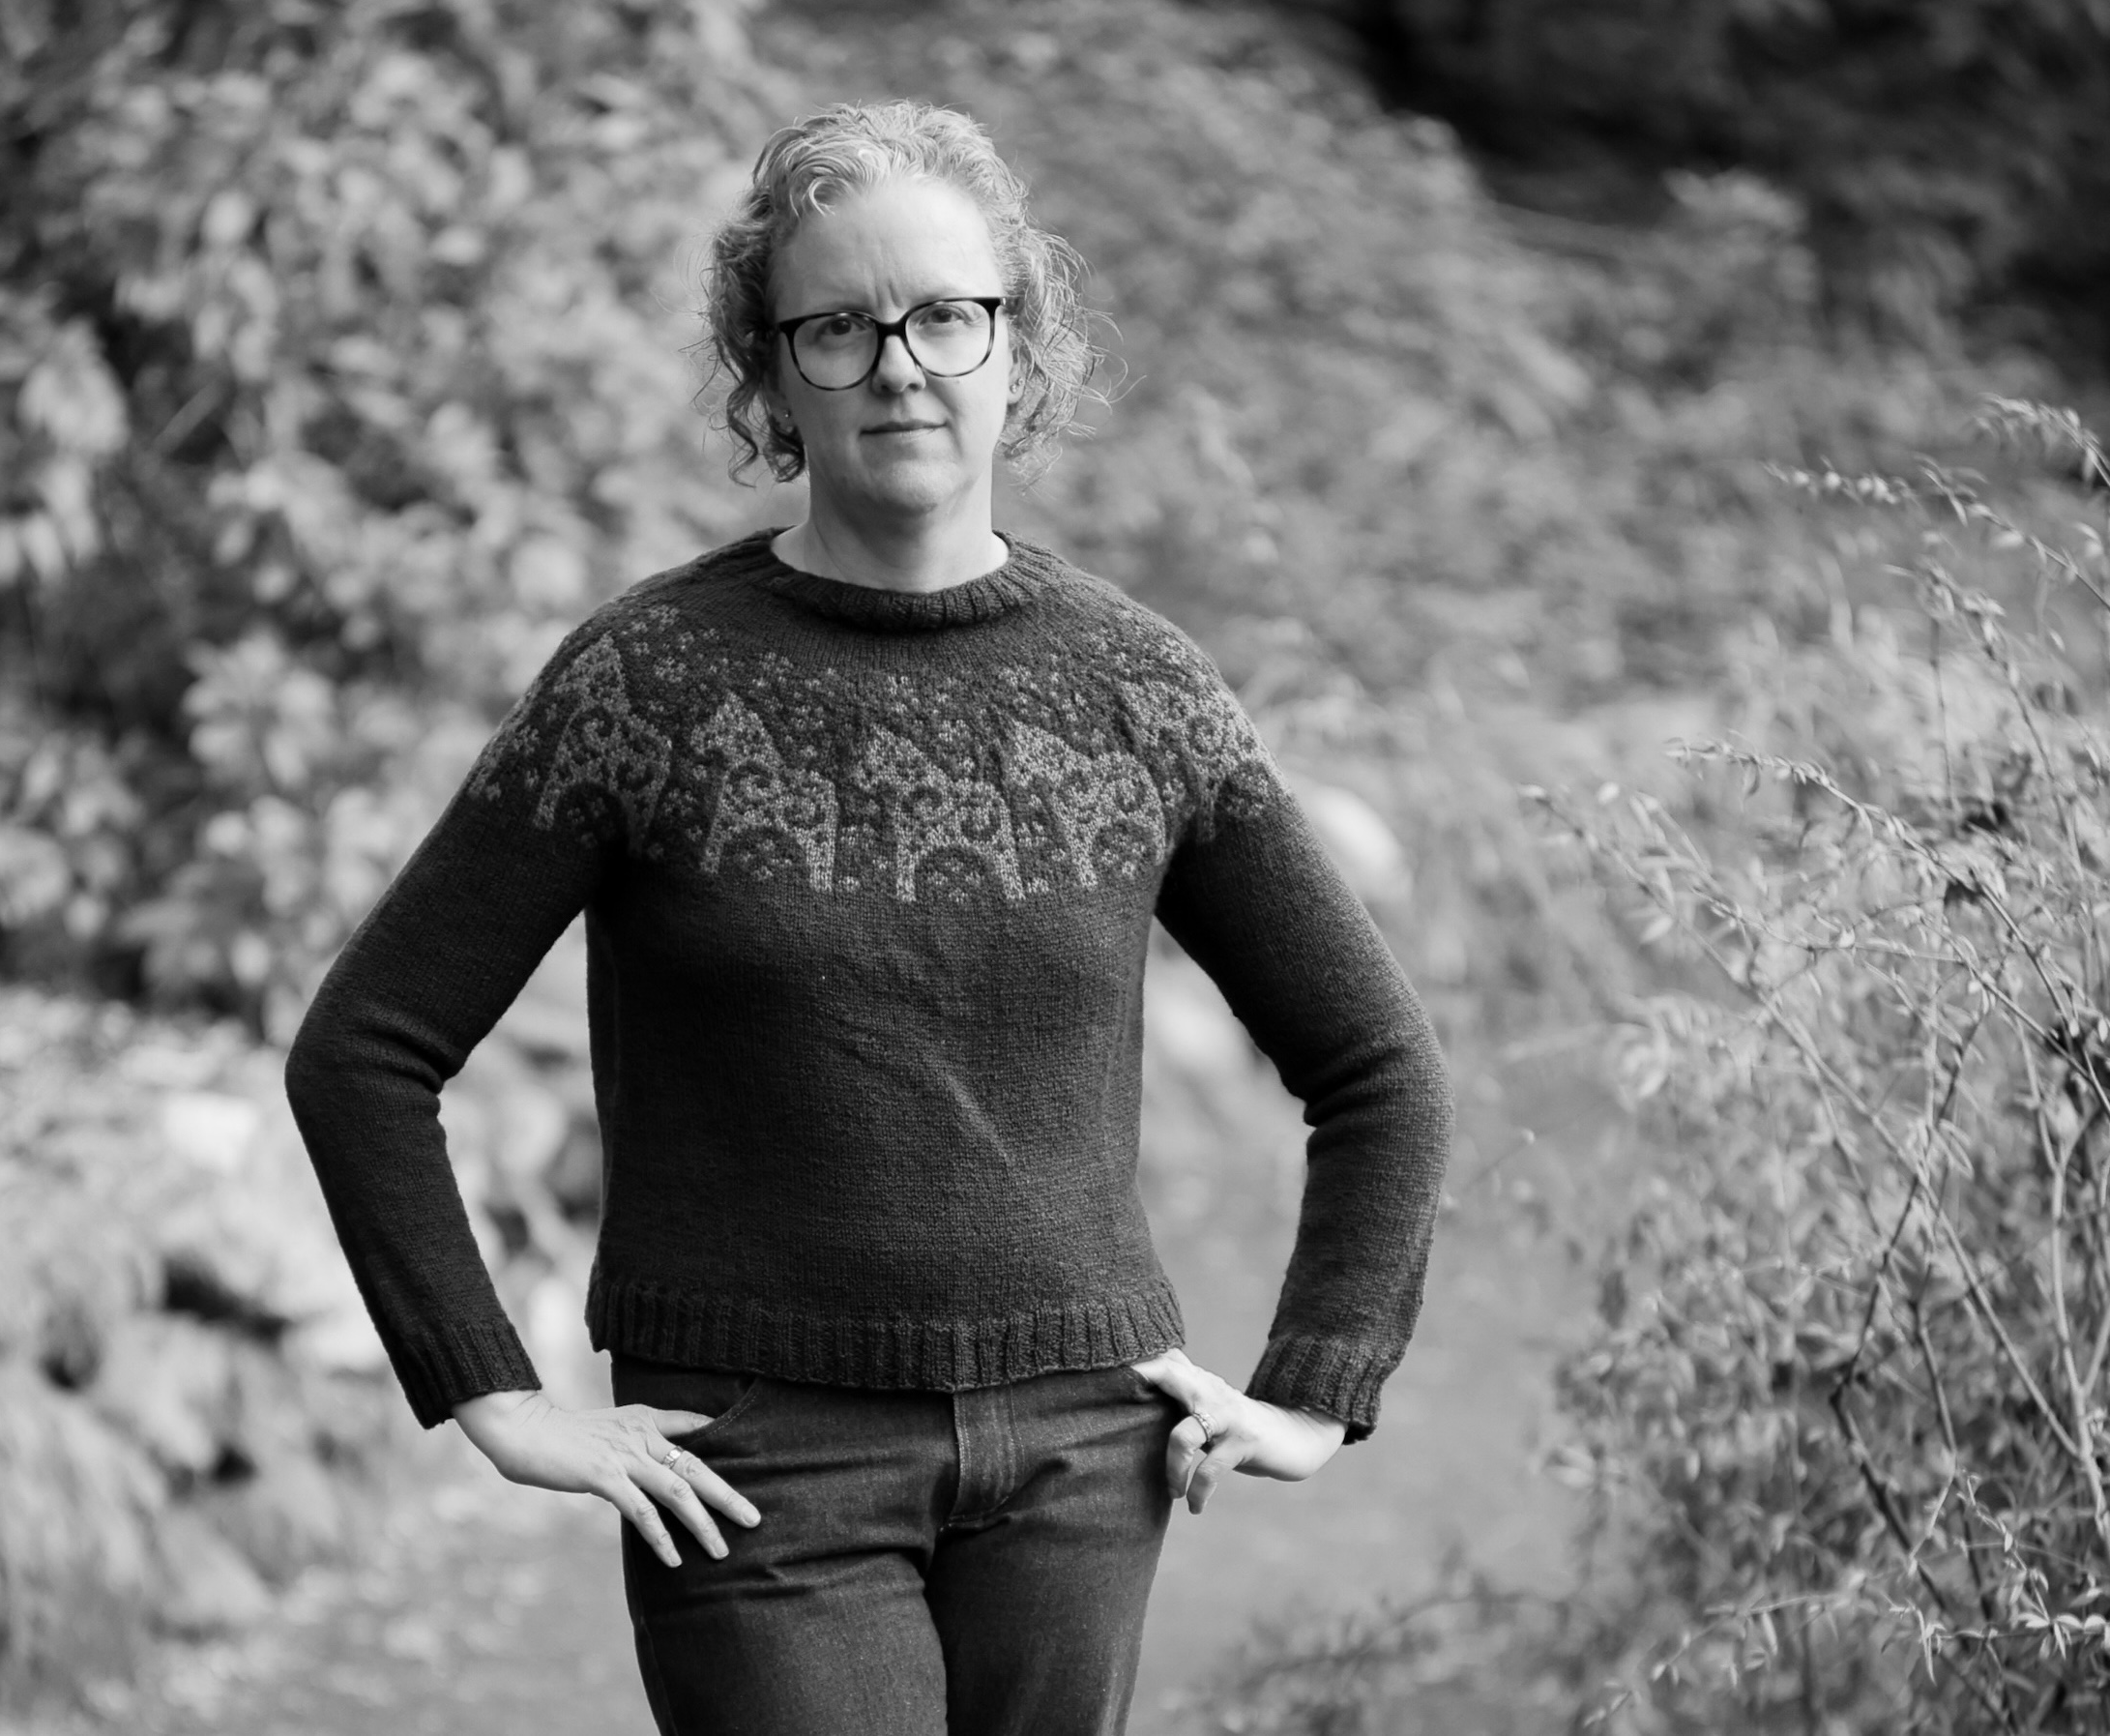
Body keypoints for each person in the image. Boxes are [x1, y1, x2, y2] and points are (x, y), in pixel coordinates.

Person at [284, 99, 1454, 1736]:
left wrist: (1319, 1385)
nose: (899, 363)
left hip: (1079, 1452)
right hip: (756, 1463)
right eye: (837, 326)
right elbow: (367, 1049)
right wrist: (487, 1385)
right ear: (768, 375)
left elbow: (1377, 1065)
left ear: (1016, 348)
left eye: (945, 317)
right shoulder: (652, 683)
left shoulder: (1136, 689)